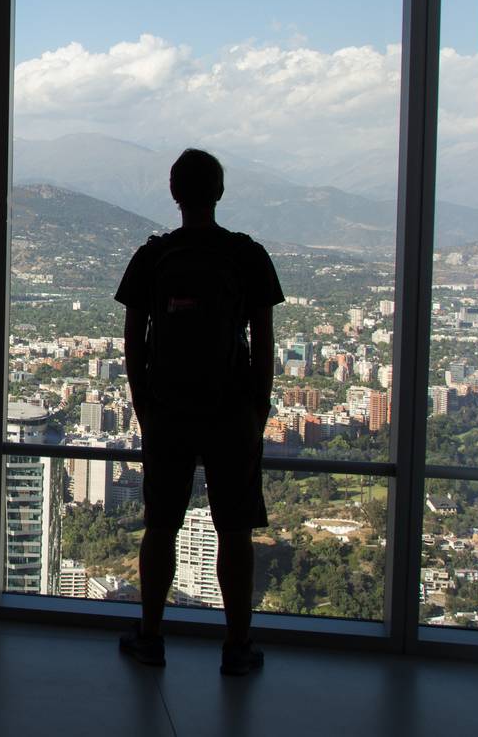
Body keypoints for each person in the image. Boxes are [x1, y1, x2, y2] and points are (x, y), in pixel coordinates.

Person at [113, 148, 283, 675]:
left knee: (160, 525)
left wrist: (144, 404)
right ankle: (236, 645)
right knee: (235, 530)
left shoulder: (154, 257)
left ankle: (151, 637)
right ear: (220, 192)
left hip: (168, 411)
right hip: (231, 410)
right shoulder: (246, 255)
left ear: (173, 192)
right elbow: (264, 339)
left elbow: (134, 340)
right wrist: (257, 409)